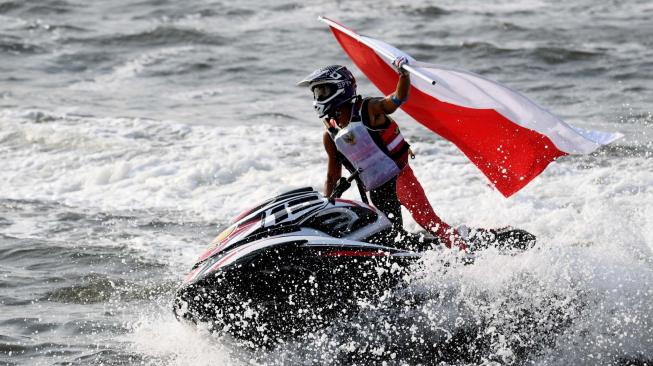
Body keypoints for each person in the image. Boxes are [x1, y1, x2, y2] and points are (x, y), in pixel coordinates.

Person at [298, 58, 466, 250]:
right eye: (316, 93)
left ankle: (463, 250)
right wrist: (326, 206)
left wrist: (403, 75)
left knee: (427, 221)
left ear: (340, 88)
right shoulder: (331, 136)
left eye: (322, 91)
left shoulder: (368, 110)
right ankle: (420, 255)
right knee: (390, 235)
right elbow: (332, 176)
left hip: (401, 178)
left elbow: (395, 100)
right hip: (376, 190)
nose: (317, 98)